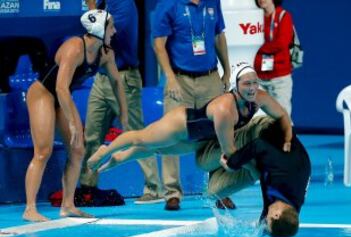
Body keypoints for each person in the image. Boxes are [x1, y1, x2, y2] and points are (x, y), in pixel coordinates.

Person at [87, 63, 292, 186]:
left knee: (156, 151)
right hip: (181, 126)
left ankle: (120, 158)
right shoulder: (225, 109)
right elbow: (230, 150)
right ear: (235, 87)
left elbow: (282, 116)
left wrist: (288, 139)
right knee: (141, 137)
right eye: (247, 84)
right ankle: (106, 150)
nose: (252, 88)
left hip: (200, 139)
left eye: (255, 82)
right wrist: (255, 170)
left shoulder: (259, 97)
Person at [23, 9, 128, 222]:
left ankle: (68, 205)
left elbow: (117, 82)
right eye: (111, 27)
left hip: (63, 99)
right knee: (43, 150)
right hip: (43, 93)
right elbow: (60, 87)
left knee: (78, 150)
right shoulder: (74, 48)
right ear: (99, 29)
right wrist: (73, 124)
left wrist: (124, 116)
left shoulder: (106, 54)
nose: (114, 31)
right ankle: (30, 208)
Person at [80, 0, 163, 205]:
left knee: (135, 133)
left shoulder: (124, 5)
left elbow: (106, 37)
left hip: (123, 79)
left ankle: (154, 188)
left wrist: (92, 9)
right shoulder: (103, 4)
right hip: (101, 78)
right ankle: (88, 187)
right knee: (92, 135)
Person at [152, 0, 232, 210]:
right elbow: (158, 44)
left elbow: (218, 36)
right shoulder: (168, 4)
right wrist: (169, 77)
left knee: (219, 134)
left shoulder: (213, 2)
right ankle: (172, 193)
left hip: (210, 78)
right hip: (180, 80)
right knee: (170, 135)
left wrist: (227, 71)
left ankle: (220, 190)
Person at [220, 120, 311, 237]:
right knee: (205, 162)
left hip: (267, 159)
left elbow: (270, 209)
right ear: (277, 215)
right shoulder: (282, 177)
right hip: (264, 130)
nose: (264, 221)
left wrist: (258, 235)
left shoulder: (288, 211)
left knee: (213, 192)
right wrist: (233, 163)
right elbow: (259, 145)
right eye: (267, 223)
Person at [254, 0, 295, 119]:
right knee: (259, 117)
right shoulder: (255, 16)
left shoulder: (283, 16)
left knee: (282, 114)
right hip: (258, 77)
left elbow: (282, 43)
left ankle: (286, 138)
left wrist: (259, 48)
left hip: (279, 77)